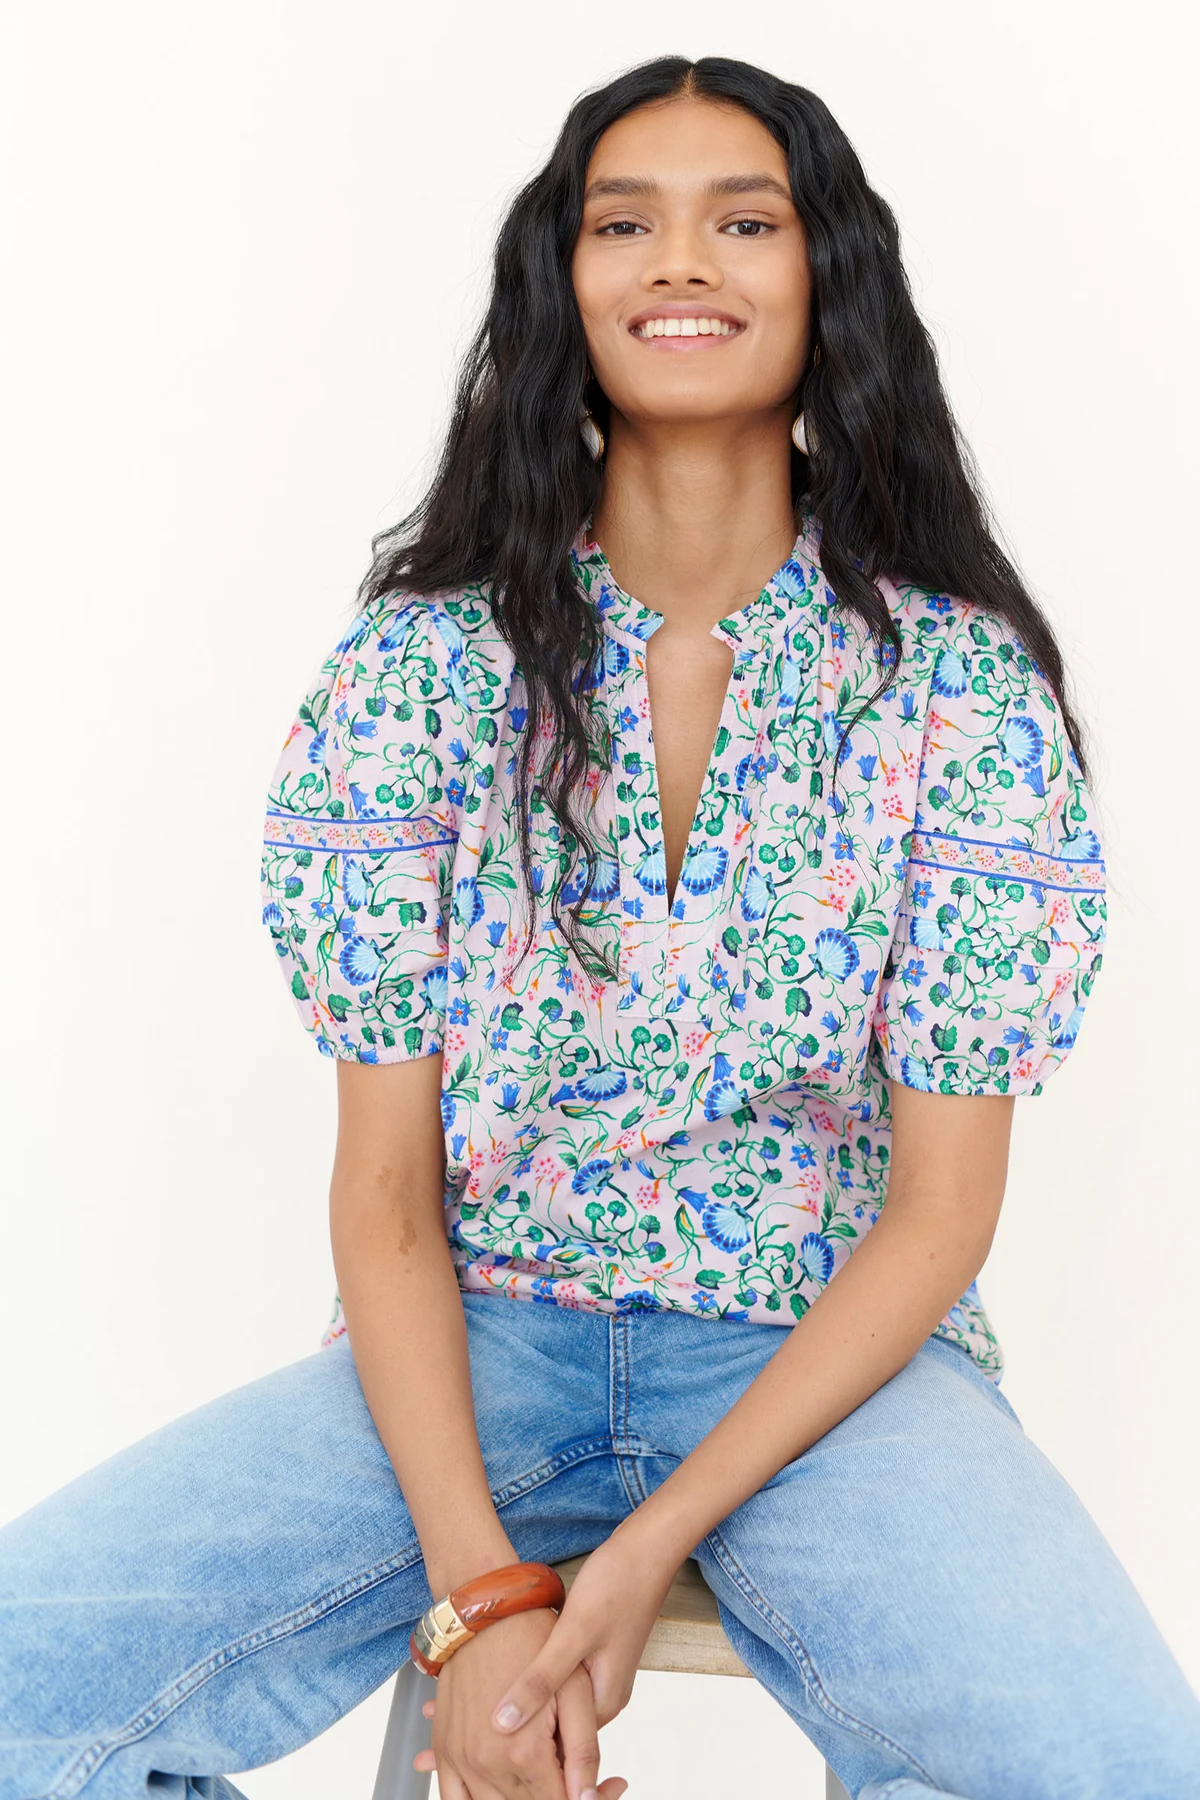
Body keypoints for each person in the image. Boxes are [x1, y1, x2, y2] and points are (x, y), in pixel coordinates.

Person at [2, 51, 1196, 1800]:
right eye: (623, 222)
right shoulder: (418, 670)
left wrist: (644, 1552)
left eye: (745, 221)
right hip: (478, 1330)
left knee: (1125, 1767)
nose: (682, 263)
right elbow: (386, 1193)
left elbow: (943, 1211)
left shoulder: (957, 690)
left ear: (826, 280)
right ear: (561, 285)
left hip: (829, 1365)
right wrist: (482, 1588)